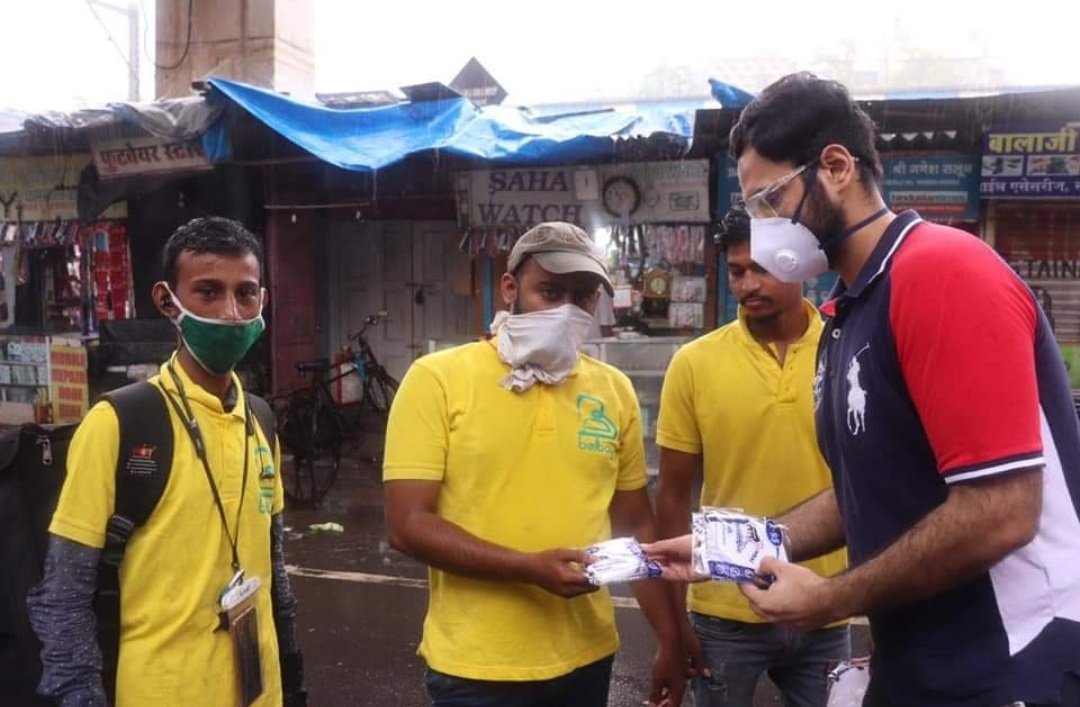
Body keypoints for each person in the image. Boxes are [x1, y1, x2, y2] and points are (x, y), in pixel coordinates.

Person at [645, 73, 1080, 707]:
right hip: (924, 660)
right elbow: (871, 495)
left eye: (769, 199)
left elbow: (1001, 513)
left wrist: (828, 597)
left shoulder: (940, 273)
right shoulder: (849, 313)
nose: (762, 227)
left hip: (1014, 659)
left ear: (838, 166)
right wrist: (730, 548)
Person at [383, 221, 685, 707]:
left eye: (582, 297)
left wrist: (669, 637)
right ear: (509, 288)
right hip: (477, 669)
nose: (567, 310)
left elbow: (634, 523)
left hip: (588, 658)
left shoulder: (613, 389)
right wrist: (528, 568)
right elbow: (407, 524)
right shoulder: (436, 380)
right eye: (550, 291)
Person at [27, 217, 305, 706]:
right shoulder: (119, 422)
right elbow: (64, 597)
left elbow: (274, 574)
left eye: (247, 294)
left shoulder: (259, 419)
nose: (232, 313)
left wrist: (295, 684)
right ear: (165, 301)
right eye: (208, 292)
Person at [654, 200, 848, 707]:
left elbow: (873, 480)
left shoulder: (845, 349)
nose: (748, 285)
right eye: (737, 271)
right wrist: (675, 628)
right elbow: (672, 498)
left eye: (762, 268)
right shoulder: (693, 364)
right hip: (723, 609)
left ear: (800, 264)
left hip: (823, 601)